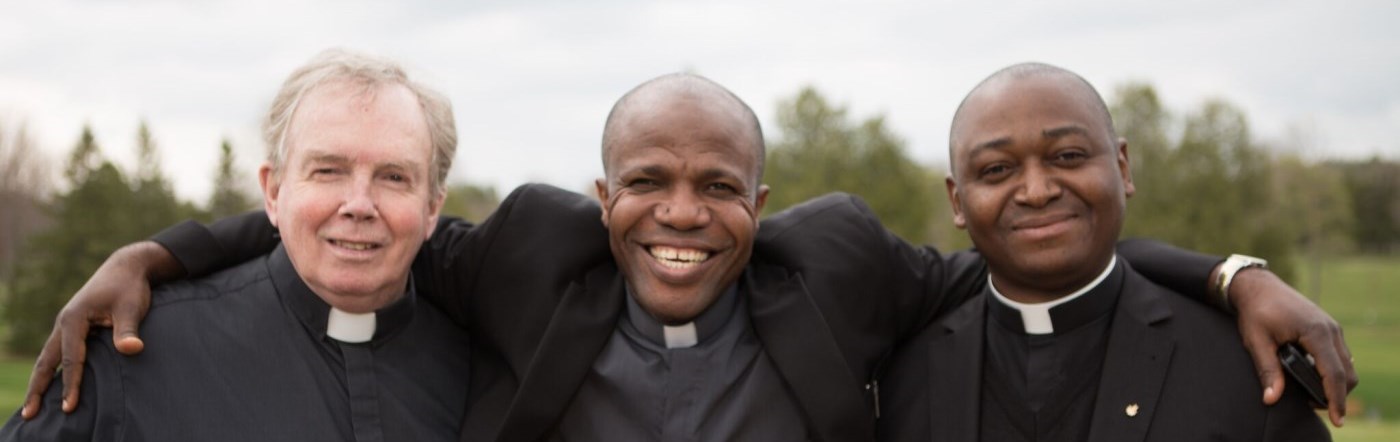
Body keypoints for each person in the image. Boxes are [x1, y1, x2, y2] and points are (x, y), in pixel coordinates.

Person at [23, 74, 1354, 441]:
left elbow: (1021, 254)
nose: (680, 212)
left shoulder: (830, 264)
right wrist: (154, 250)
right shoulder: (529, 257)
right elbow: (361, 225)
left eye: (717, 187)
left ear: (760, 201)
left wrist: (1238, 273)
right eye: (648, 183)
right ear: (601, 197)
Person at [1, 49, 472, 441]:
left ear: (432, 207)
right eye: (328, 170)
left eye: (394, 177)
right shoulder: (134, 355)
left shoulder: (482, 365)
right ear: (273, 191)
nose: (359, 204)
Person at [876, 63, 1331, 441]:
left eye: (1068, 156)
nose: (1036, 191)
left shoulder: (1247, 369)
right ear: (958, 201)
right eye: (997, 169)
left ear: (1122, 167)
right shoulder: (898, 380)